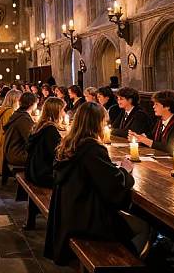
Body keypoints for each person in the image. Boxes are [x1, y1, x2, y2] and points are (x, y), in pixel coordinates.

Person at [44, 102, 146, 266]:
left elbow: (98, 174)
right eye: (103, 121)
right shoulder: (91, 148)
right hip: (86, 218)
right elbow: (113, 186)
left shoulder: (70, 144)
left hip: (71, 211)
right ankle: (129, 263)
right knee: (143, 227)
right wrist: (125, 171)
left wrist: (111, 169)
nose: (105, 125)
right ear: (96, 123)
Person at [26, 97, 65, 187]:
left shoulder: (40, 125)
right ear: (56, 112)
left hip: (33, 169)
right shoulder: (50, 130)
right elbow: (57, 154)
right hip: (43, 174)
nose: (63, 113)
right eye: (62, 110)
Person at [0, 89, 21, 175]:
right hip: (3, 138)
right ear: (15, 100)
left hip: (0, 136)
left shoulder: (4, 108)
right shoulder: (9, 111)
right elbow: (9, 128)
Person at [3, 92, 36, 167]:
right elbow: (29, 139)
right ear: (32, 104)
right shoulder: (24, 118)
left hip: (11, 151)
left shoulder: (18, 113)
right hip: (17, 154)